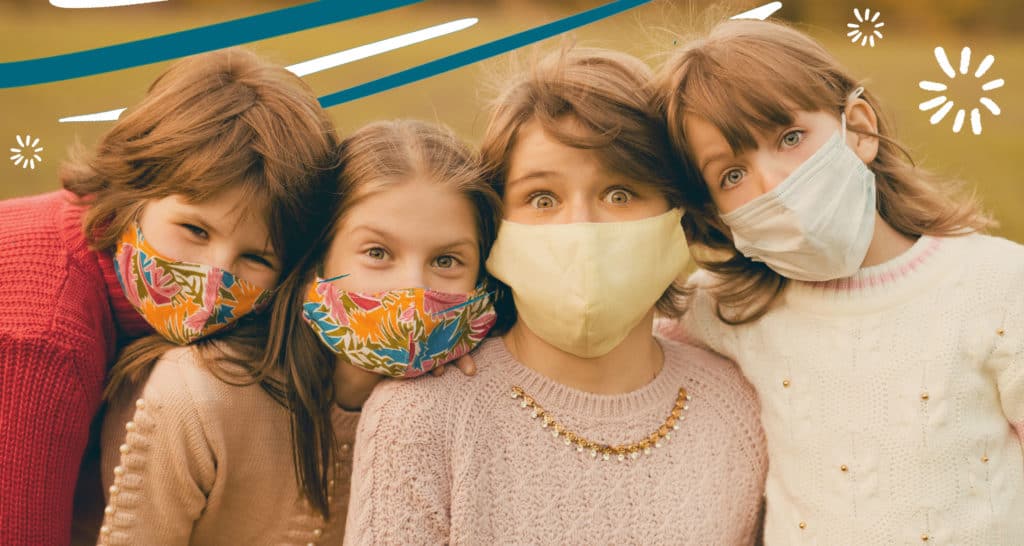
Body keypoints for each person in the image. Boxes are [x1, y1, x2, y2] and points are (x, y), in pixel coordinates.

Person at [344, 47, 767, 545]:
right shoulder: (422, 416)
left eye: (620, 194)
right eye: (542, 199)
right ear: (496, 232)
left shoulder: (737, 407)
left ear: (678, 217)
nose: (581, 228)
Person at [654, 18, 1024, 544]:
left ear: (859, 129)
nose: (774, 184)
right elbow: (623, 346)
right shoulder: (728, 309)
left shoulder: (997, 284)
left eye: (789, 137)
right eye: (731, 175)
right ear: (714, 215)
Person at [96, 119, 497, 544]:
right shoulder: (197, 396)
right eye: (377, 253)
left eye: (447, 261)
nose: (414, 290)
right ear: (316, 261)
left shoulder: (468, 401)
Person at [0, 47, 337, 545]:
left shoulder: (114, 263)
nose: (213, 277)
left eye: (257, 259)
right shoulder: (45, 336)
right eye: (194, 230)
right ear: (136, 187)